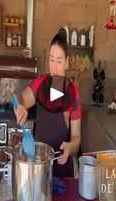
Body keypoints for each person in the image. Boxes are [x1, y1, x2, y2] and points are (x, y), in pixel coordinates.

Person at [14, 31, 81, 177]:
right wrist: (20, 106)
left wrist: (70, 147)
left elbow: (76, 138)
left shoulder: (73, 93)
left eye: (59, 61)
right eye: (51, 60)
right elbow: (21, 98)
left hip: (62, 165)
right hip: (40, 165)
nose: (54, 67)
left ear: (67, 62)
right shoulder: (41, 85)